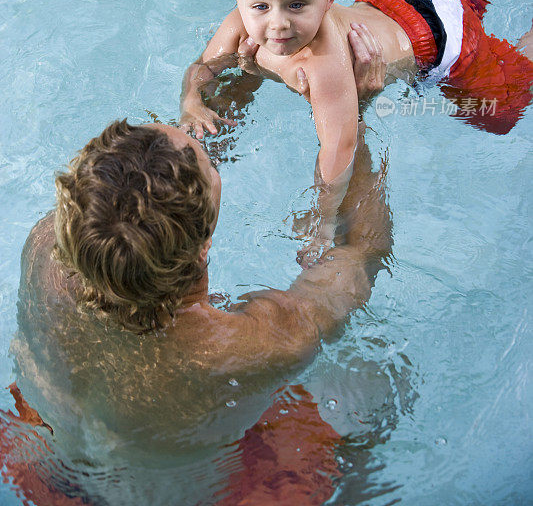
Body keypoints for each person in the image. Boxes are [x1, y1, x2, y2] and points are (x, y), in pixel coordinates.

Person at [5, 115, 393, 505]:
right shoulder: (241, 347)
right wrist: (349, 118)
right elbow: (363, 251)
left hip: (44, 468)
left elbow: (151, 177)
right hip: (191, 492)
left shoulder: (46, 243)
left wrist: (209, 84)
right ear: (202, 247)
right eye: (209, 163)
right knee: (378, 388)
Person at [180, 0, 533, 184]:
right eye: (260, 6)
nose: (278, 23)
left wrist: (325, 220)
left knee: (500, 109)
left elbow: (340, 148)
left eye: (297, 5)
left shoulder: (321, 61)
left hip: (443, 39)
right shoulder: (239, 23)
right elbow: (202, 68)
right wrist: (191, 101)